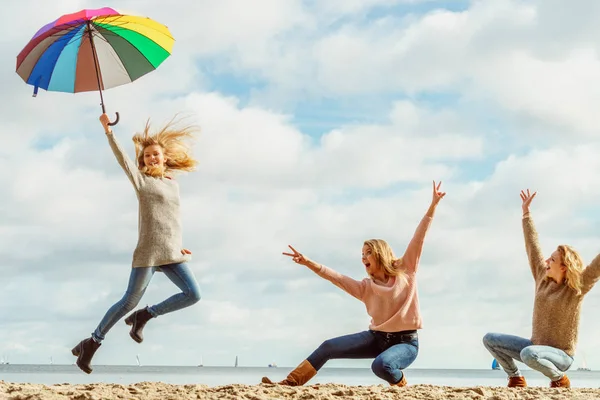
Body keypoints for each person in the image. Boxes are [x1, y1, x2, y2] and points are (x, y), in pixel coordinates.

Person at [262, 181, 446, 387]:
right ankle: (290, 382)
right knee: (328, 346)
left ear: (380, 254)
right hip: (376, 338)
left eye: (368, 253)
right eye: (361, 254)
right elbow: (336, 277)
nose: (363, 258)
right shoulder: (365, 287)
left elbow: (418, 237)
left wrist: (433, 205)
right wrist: (308, 262)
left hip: (405, 343)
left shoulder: (406, 269)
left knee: (381, 366)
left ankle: (402, 386)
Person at [71, 114, 202, 374]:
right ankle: (92, 343)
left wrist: (178, 244)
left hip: (172, 253)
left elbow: (171, 219)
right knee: (127, 302)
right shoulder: (142, 181)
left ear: (164, 158)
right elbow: (122, 159)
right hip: (149, 253)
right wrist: (109, 132)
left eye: (156, 154)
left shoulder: (173, 185)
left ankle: (146, 315)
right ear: (142, 160)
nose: (152, 158)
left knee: (193, 295)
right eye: (147, 155)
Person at [483, 189, 600, 388]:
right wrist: (526, 213)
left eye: (552, 259)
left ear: (564, 267)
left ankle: (559, 380)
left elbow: (596, 267)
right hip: (535, 347)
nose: (546, 260)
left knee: (528, 354)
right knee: (490, 340)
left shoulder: (576, 288)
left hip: (562, 355)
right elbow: (532, 245)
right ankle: (516, 378)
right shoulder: (541, 277)